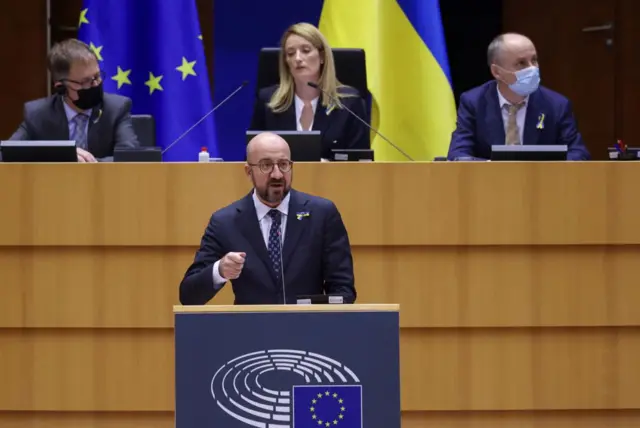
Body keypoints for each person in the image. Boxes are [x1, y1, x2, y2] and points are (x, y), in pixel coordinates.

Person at [179, 132, 357, 305]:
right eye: (266, 165)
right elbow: (188, 295)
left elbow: (343, 290)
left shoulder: (322, 214)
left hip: (309, 330)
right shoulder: (225, 222)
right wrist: (219, 270)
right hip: (251, 331)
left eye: (283, 164)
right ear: (249, 172)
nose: (277, 174)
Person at [448, 33, 590, 161]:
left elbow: (578, 154)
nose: (532, 69)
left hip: (541, 185)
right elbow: (458, 155)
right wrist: (495, 169)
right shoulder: (474, 102)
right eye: (521, 63)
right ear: (497, 72)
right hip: (489, 185)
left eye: (534, 60)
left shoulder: (557, 105)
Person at [249, 22, 369, 161]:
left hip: (333, 181)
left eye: (306, 50)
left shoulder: (349, 103)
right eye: (291, 53)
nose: (298, 58)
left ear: (322, 56)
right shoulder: (268, 102)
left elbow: (361, 163)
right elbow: (252, 157)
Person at [8, 38, 139, 162]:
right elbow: (6, 154)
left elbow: (130, 158)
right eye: (85, 81)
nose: (95, 84)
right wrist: (62, 157)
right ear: (61, 88)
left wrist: (86, 163)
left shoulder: (116, 108)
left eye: (97, 76)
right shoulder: (38, 114)